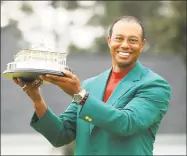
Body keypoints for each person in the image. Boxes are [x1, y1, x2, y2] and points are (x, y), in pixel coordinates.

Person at [13, 16, 171, 155]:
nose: (124, 45)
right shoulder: (89, 85)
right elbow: (60, 135)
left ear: (142, 45)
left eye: (133, 40)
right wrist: (37, 99)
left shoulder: (155, 85)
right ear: (109, 41)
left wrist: (79, 95)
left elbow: (126, 123)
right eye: (119, 38)